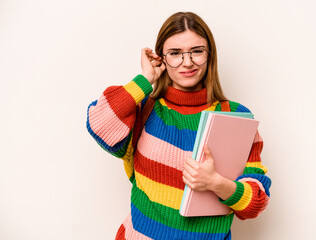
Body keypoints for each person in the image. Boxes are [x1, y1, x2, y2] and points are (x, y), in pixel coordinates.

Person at [86, 11, 271, 240]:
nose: (187, 62)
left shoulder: (234, 116)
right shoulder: (145, 109)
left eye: (197, 51)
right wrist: (146, 78)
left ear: (209, 55)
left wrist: (217, 184)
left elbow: (256, 202)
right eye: (175, 53)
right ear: (161, 58)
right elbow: (98, 123)